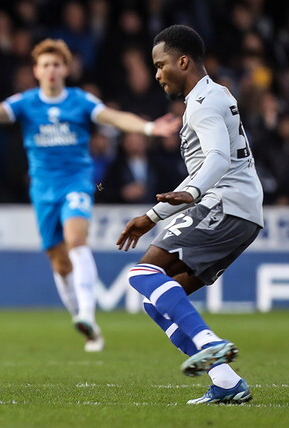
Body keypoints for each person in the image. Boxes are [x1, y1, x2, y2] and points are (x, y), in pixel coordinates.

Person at [0, 38, 179, 352]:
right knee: (59, 262)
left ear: (66, 69)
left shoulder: (80, 101)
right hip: (42, 190)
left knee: (77, 241)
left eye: (56, 64)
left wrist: (148, 129)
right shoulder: (26, 103)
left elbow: (115, 118)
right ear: (36, 70)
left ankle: (88, 314)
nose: (51, 70)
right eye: (45, 65)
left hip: (77, 182)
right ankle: (82, 318)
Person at [117, 25, 263, 404]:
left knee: (142, 273)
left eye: (160, 64)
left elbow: (216, 158)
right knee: (161, 301)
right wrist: (152, 216)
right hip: (239, 211)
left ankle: (210, 344)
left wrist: (195, 192)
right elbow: (203, 168)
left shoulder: (203, 103)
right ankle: (228, 383)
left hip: (224, 205)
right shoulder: (212, 96)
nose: (157, 74)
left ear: (183, 62)